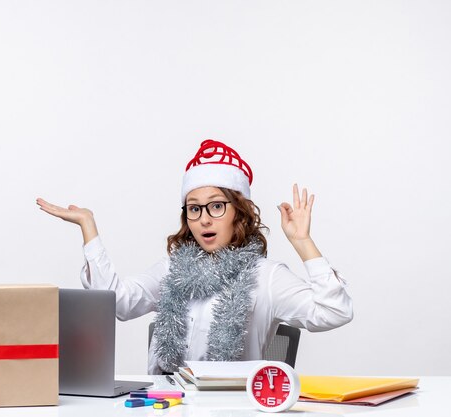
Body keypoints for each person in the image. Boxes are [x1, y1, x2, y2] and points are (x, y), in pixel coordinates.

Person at [36, 139, 353, 374]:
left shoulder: (266, 277)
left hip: (234, 407)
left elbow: (334, 312)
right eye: (194, 208)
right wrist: (89, 228)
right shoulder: (172, 270)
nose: (204, 219)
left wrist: (302, 241)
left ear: (238, 214)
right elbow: (116, 302)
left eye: (217, 206)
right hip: (167, 404)